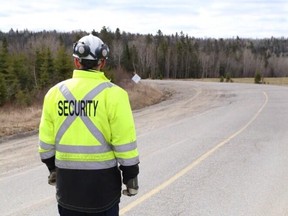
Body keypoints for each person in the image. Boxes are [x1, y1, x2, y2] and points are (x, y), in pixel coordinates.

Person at [38, 33, 140, 216]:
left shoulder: (53, 94)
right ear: (102, 63)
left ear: (77, 62)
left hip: (68, 191)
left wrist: (52, 169)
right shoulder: (116, 95)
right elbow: (125, 143)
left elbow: (45, 144)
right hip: (103, 193)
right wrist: (131, 177)